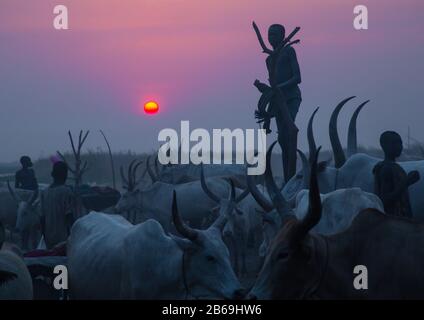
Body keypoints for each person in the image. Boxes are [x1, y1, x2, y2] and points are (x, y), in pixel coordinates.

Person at [254, 23, 302, 134]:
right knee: (281, 137)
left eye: (274, 34)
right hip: (279, 100)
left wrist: (276, 88)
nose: (271, 37)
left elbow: (297, 78)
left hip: (291, 97)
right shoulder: (269, 60)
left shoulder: (289, 51)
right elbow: (273, 87)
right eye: (269, 35)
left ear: (282, 36)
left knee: (288, 129)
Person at [373, 131, 420, 218]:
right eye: (395, 143)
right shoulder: (386, 169)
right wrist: (406, 182)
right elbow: (384, 200)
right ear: (384, 146)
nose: (400, 147)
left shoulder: (391, 167)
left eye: (400, 143)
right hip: (393, 221)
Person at [40, 161, 75, 249]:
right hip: (63, 239)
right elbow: (69, 216)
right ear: (65, 175)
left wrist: (44, 236)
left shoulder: (45, 192)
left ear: (53, 175)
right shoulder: (66, 192)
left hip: (48, 238)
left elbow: (42, 218)